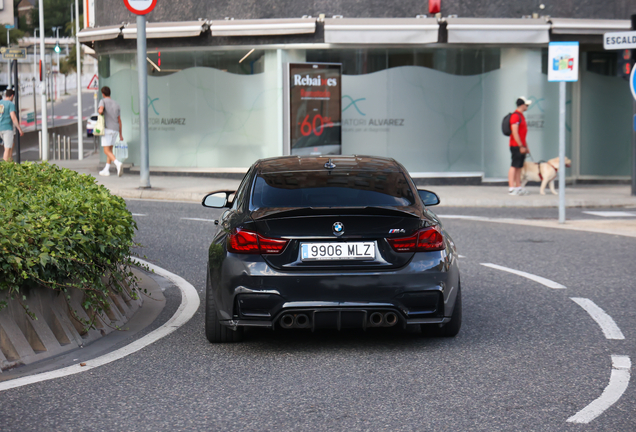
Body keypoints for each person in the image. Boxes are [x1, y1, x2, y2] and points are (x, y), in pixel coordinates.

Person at [97, 86, 123, 176]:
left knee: (106, 150)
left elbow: (100, 110)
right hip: (115, 129)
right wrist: (121, 134)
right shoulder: (116, 104)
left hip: (108, 129)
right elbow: (119, 120)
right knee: (110, 150)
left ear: (103, 94)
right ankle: (106, 169)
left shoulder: (102, 101)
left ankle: (117, 163)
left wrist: (100, 110)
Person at [508, 96, 531, 195]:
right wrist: (521, 145)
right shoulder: (515, 116)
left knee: (519, 166)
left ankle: (518, 186)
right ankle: (511, 187)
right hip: (515, 145)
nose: (527, 106)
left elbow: (522, 134)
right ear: (522, 105)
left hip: (521, 145)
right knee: (514, 165)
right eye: (526, 105)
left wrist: (526, 147)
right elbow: (515, 132)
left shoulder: (521, 116)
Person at [0, 89, 24, 162]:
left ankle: (10, 163)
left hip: (0, 128)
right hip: (7, 128)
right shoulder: (10, 104)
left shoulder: (0, 103)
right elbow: (13, 117)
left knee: (10, 145)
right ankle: (4, 167)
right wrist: (19, 129)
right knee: (7, 148)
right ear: (12, 96)